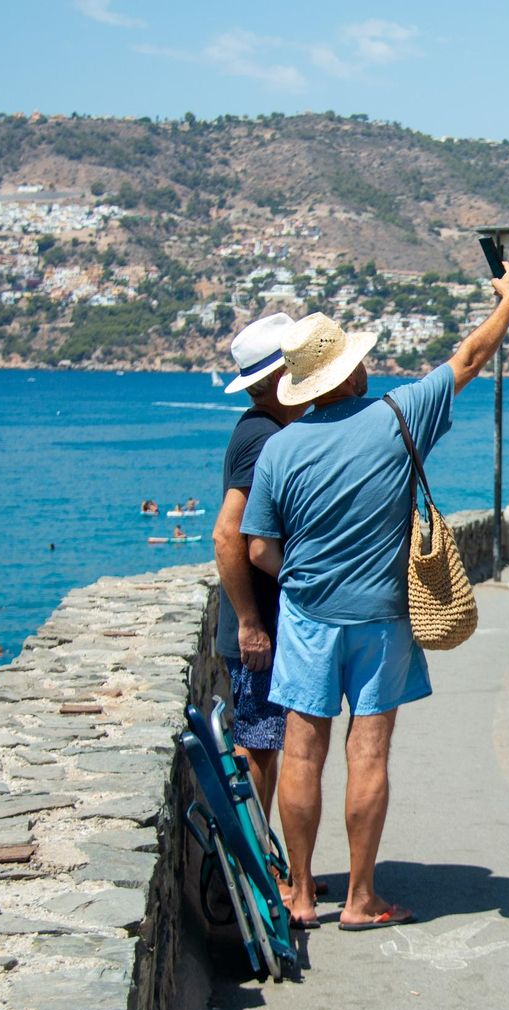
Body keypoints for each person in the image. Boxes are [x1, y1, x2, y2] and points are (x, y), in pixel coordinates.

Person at [243, 261, 509, 931]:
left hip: (308, 618)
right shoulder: (400, 414)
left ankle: (303, 894)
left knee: (302, 752)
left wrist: (306, 580)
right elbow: (471, 355)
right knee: (367, 753)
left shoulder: (280, 450)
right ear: (356, 371)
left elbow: (256, 547)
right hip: (384, 619)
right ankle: (362, 899)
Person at [211, 312, 308, 823]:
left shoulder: (266, 429)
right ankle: (257, 877)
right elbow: (228, 534)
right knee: (260, 749)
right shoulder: (262, 437)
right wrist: (250, 624)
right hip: (258, 632)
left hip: (265, 626)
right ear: (276, 380)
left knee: (267, 744)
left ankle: (266, 867)